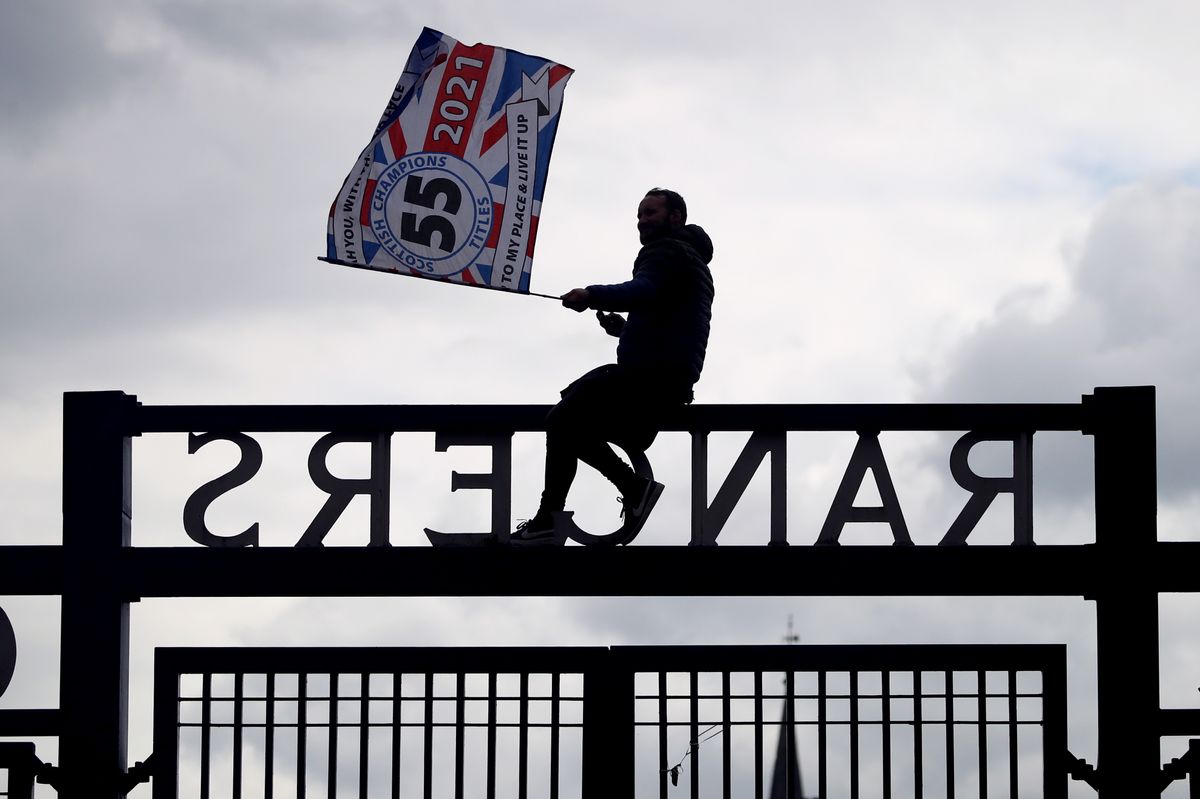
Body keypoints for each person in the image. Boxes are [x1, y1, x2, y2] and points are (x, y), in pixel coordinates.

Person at [512, 188, 715, 544]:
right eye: (639, 215)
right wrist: (625, 329)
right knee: (570, 426)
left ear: (675, 217)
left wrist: (592, 295)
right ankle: (612, 496)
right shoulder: (693, 263)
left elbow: (644, 289)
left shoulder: (665, 250)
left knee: (562, 420)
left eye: (650, 213)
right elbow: (672, 323)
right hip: (670, 384)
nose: (642, 221)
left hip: (648, 379)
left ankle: (603, 499)